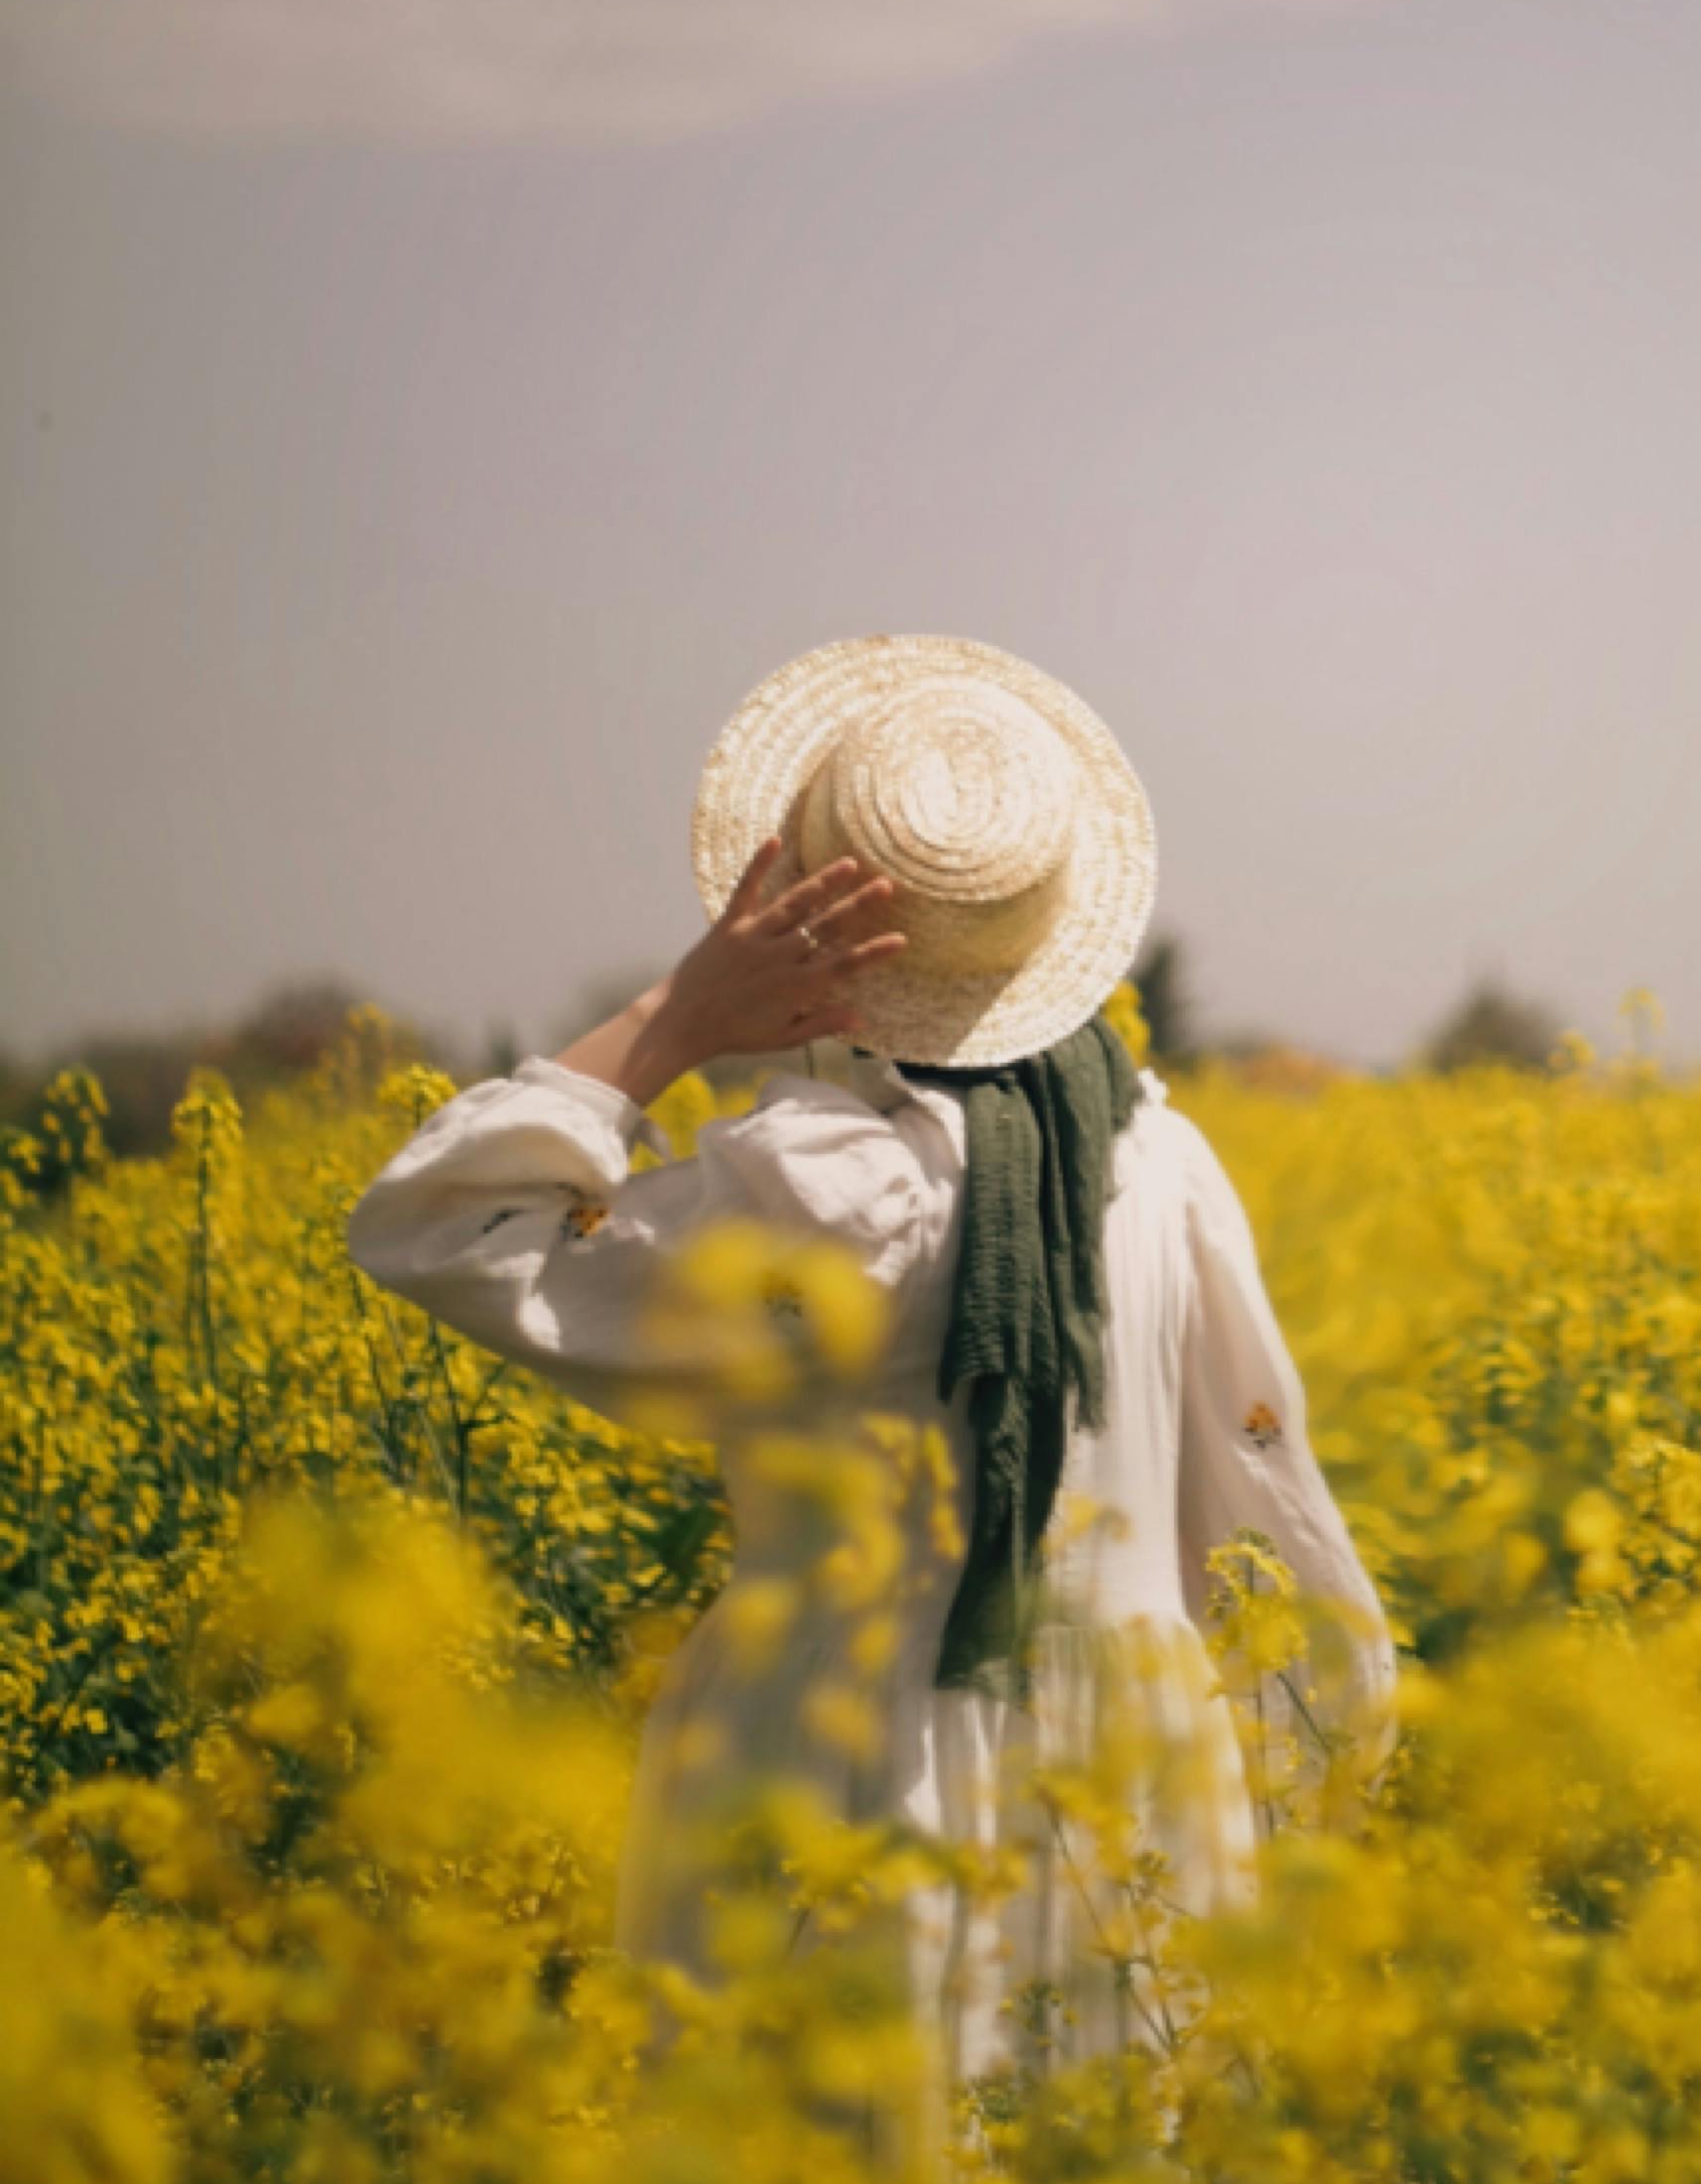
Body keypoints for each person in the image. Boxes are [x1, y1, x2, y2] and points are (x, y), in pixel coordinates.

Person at [346, 633, 1396, 2087]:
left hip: (851, 1763)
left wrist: (674, 1022)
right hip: (1147, 1778)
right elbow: (1268, 1506)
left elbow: (444, 1225)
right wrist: (1301, 1771)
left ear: (795, 917)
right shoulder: (1160, 1157)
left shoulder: (830, 1191)